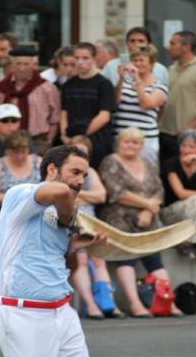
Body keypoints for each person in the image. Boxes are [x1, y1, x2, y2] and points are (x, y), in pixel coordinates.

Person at [0, 145, 108, 357]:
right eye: (75, 172)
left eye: (84, 175)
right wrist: (70, 219)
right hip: (24, 315)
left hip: (63, 311)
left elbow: (63, 265)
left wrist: (78, 246)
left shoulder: (61, 214)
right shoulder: (19, 194)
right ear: (52, 170)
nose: (81, 181)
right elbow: (62, 191)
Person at [98, 127, 183, 317]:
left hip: (147, 217)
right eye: (127, 141)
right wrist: (148, 205)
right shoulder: (110, 161)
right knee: (126, 255)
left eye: (135, 142)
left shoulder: (146, 163)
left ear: (141, 146)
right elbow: (115, 191)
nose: (131, 145)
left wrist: (148, 211)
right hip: (118, 215)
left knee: (154, 257)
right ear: (119, 143)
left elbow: (159, 190)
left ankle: (168, 301)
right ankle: (135, 304)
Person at [69, 135, 125, 320]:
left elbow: (101, 196)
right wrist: (86, 196)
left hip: (90, 222)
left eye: (84, 152)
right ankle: (90, 304)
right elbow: (64, 197)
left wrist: (78, 195)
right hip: (71, 221)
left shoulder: (90, 172)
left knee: (99, 259)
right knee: (82, 260)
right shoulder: (65, 172)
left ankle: (108, 302)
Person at [0, 46, 61, 156]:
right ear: (12, 65)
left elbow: (54, 119)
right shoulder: (1, 88)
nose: (22, 68)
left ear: (33, 65)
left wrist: (48, 141)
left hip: (38, 143)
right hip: (5, 143)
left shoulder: (47, 88)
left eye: (26, 64)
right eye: (18, 64)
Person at [60, 42, 116, 169]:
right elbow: (64, 112)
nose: (80, 62)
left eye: (85, 58)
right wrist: (64, 135)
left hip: (97, 140)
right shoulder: (68, 85)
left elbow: (104, 115)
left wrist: (82, 136)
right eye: (77, 58)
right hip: (70, 139)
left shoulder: (104, 84)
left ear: (94, 59)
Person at [113, 45, 168, 170]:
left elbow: (146, 104)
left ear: (151, 63)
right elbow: (114, 103)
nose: (138, 63)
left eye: (141, 60)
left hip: (145, 140)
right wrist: (121, 78)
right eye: (135, 60)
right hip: (121, 137)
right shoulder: (124, 82)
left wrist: (137, 81)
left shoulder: (159, 86)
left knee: (145, 175)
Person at [159, 30, 196, 165]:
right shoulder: (171, 69)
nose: (168, 47)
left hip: (187, 139)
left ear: (186, 47)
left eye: (172, 43)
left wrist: (188, 129)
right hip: (164, 133)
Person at [160, 130, 196, 259]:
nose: (187, 150)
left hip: (194, 214)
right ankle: (188, 242)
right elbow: (181, 193)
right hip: (170, 214)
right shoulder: (171, 164)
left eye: (191, 146)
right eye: (184, 146)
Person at [0, 130, 42, 209]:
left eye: (23, 152)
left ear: (28, 149)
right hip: (6, 208)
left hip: (36, 207)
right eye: (16, 152)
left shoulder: (38, 162)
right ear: (7, 151)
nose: (20, 156)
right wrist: (19, 200)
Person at [102, 27, 168, 87]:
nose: (136, 44)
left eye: (141, 41)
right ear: (127, 44)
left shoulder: (160, 69)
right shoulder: (111, 66)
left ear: (148, 44)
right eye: (132, 41)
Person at [0, 103, 36, 170]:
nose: (10, 124)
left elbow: (33, 161)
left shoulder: (25, 135)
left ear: (19, 122)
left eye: (14, 120)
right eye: (4, 120)